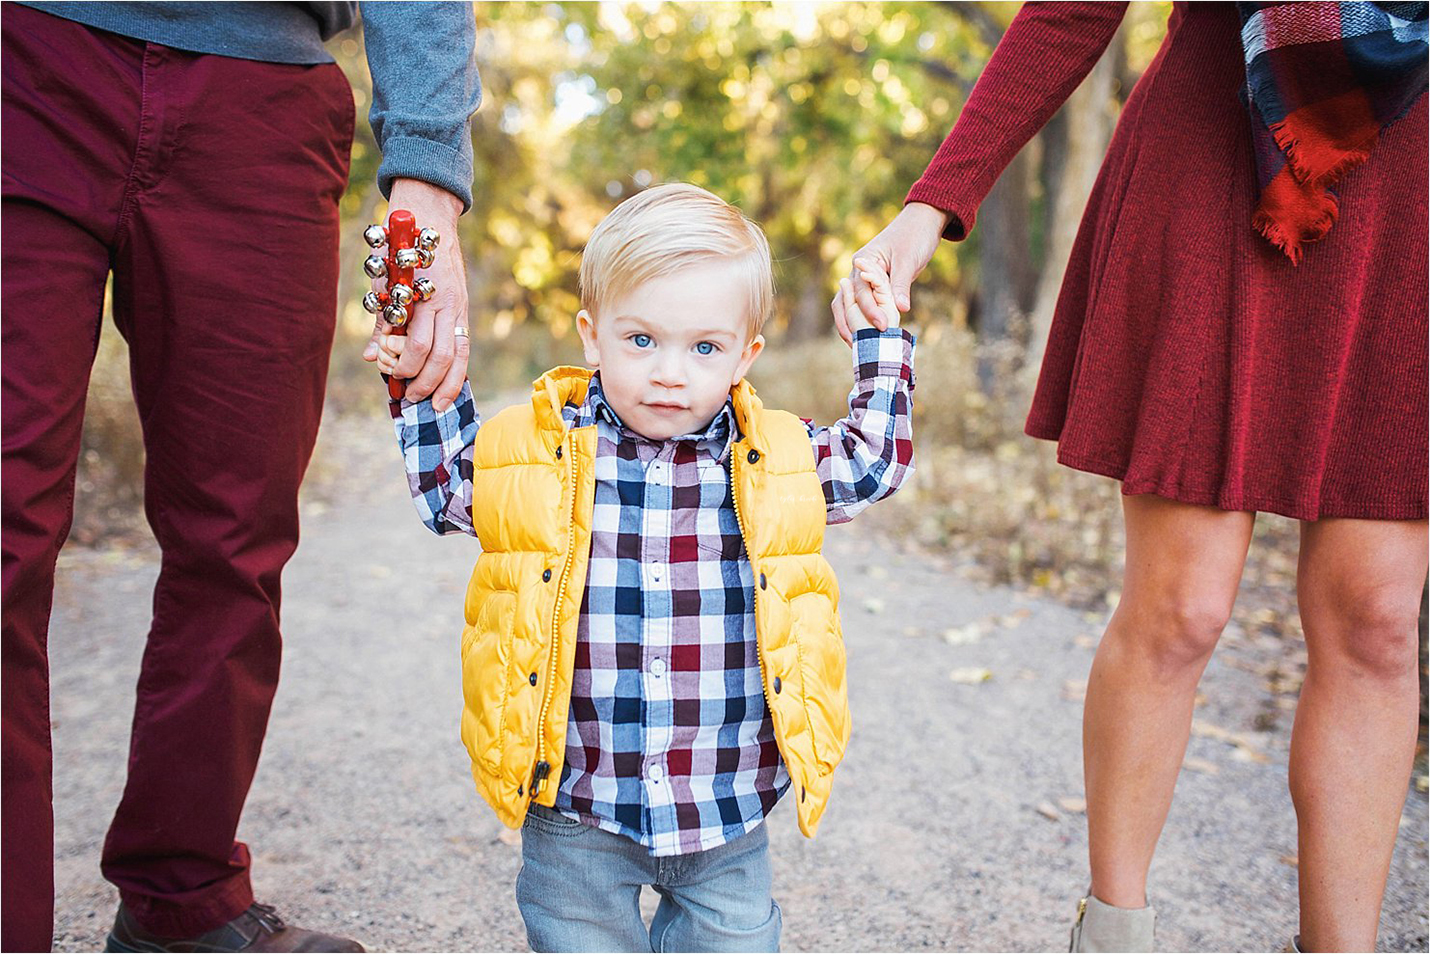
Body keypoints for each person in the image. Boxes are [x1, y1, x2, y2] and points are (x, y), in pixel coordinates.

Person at [835, 3, 1428, 951]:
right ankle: (1113, 931)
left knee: (1378, 621)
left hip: (1413, 193)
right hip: (1211, 152)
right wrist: (934, 201)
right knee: (1182, 606)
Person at [1, 4, 480, 951]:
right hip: (27, 52)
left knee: (236, 532)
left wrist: (427, 173)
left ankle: (180, 898)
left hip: (261, 93)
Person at [367, 182, 915, 951]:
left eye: (703, 348)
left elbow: (872, 466)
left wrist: (880, 348)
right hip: (577, 805)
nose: (669, 373)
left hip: (725, 802)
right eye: (641, 341)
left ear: (744, 355)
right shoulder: (541, 451)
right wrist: (418, 383)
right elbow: (450, 483)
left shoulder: (777, 458)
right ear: (592, 336)